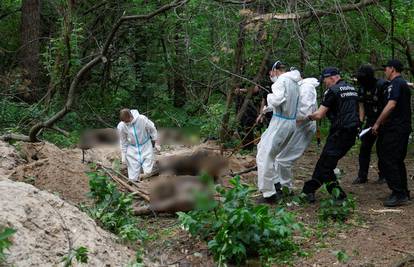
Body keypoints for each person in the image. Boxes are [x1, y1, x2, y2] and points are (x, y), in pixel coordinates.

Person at [302, 67, 360, 203]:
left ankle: (339, 196)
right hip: (351, 134)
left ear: (333, 77)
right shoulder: (351, 89)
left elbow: (319, 114)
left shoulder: (333, 91)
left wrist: (303, 118)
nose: (325, 83)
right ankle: (308, 191)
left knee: (326, 167)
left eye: (326, 80)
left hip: (339, 134)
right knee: (325, 161)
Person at [256, 60, 301, 203]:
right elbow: (286, 102)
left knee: (265, 156)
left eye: (270, 73)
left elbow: (277, 100)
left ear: (275, 70)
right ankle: (277, 184)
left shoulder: (281, 81)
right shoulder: (294, 81)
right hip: (289, 122)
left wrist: (269, 98)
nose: (270, 75)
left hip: (280, 123)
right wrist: (267, 109)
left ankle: (269, 194)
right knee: (266, 150)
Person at [372, 59, 412, 207]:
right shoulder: (401, 84)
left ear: (393, 69)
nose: (385, 71)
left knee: (388, 159)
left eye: (386, 68)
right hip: (401, 128)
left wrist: (377, 123)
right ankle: (402, 191)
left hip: (396, 128)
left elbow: (391, 104)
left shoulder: (396, 84)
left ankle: (399, 193)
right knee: (396, 160)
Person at [275, 72, 319, 192]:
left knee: (283, 159)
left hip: (303, 127)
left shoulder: (306, 87)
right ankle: (280, 185)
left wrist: (289, 120)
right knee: (279, 156)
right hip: (296, 126)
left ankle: (285, 188)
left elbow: (305, 112)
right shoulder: (296, 87)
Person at [353, 64, 389, 184]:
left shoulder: (382, 85)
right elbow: (361, 106)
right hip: (370, 121)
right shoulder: (362, 88)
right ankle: (362, 176)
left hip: (384, 121)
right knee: (364, 148)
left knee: (382, 149)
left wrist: (378, 124)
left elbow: (388, 107)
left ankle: (384, 175)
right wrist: (360, 122)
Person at [117, 108, 160, 182]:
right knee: (133, 175)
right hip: (132, 149)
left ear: (131, 117)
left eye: (127, 121)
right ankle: (133, 187)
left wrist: (156, 142)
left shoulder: (142, 119)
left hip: (145, 146)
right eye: (124, 122)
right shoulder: (121, 126)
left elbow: (152, 129)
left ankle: (148, 187)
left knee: (148, 170)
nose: (125, 123)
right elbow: (123, 141)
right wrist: (123, 155)